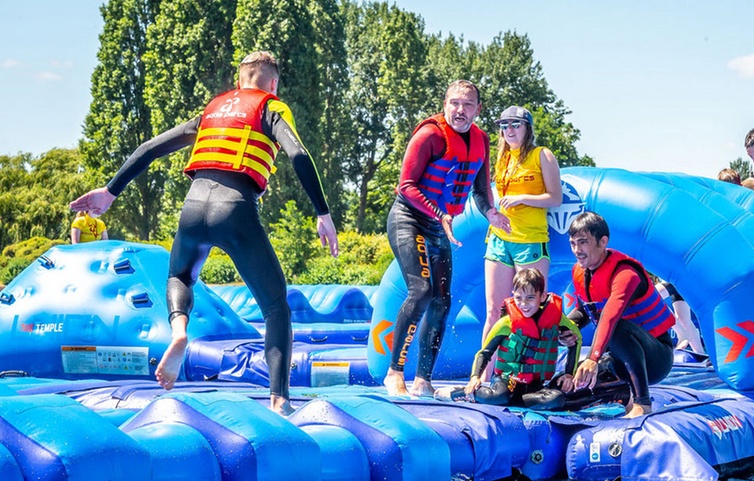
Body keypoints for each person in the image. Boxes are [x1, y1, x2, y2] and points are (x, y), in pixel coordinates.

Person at [70, 51, 338, 416]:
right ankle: (279, 400)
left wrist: (110, 192)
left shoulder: (212, 111)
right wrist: (322, 212)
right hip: (237, 209)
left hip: (193, 210)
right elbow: (299, 155)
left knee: (180, 275)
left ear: (240, 78)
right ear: (272, 83)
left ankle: (179, 330)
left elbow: (149, 148)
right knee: (276, 308)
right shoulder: (270, 107)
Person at [384, 80, 510, 397]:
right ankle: (394, 371)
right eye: (454, 103)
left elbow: (481, 192)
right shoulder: (429, 135)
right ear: (444, 104)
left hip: (440, 224)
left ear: (478, 109)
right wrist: (439, 214)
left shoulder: (481, 141)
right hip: (409, 218)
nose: (460, 110)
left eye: (468, 105)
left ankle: (423, 379)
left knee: (442, 300)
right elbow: (407, 186)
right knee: (421, 290)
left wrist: (491, 213)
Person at [567, 211, 675, 418]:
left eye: (582, 243)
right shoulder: (581, 271)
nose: (576, 250)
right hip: (619, 359)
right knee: (575, 383)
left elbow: (610, 317)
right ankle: (624, 395)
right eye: (572, 243)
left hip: (656, 359)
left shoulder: (626, 275)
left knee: (616, 329)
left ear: (602, 241)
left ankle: (643, 403)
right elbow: (585, 310)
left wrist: (593, 358)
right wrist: (565, 327)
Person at [435, 268, 578, 409]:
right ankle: (460, 393)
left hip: (536, 385)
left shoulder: (555, 319)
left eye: (530, 298)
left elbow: (577, 339)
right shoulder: (506, 323)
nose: (524, 304)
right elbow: (484, 353)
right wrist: (474, 377)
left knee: (556, 399)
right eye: (518, 298)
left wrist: (569, 374)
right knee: (498, 396)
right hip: (507, 380)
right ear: (513, 295)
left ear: (542, 296)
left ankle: (514, 401)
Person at [482, 105, 562, 349]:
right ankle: (482, 377)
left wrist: (522, 198)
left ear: (527, 128)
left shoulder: (542, 155)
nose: (509, 130)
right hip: (499, 240)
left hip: (529, 242)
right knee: (494, 310)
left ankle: (530, 375)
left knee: (529, 310)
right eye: (504, 126)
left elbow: (555, 198)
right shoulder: (502, 158)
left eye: (515, 124)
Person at [655, 281, 705, 355]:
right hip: (679, 279)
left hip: (678, 278)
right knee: (684, 320)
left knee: (652, 298)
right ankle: (701, 354)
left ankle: (682, 334)